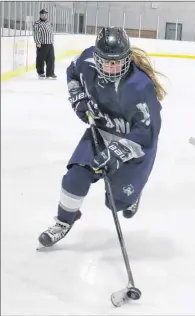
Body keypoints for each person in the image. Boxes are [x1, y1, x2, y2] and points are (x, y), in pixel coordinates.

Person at [37, 27, 166, 249]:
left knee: (115, 203)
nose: (111, 67)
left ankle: (134, 192)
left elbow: (147, 133)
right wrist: (78, 99)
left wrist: (117, 153)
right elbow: (72, 73)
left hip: (135, 145)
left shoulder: (140, 87)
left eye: (117, 62)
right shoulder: (86, 60)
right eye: (106, 62)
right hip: (101, 131)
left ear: (127, 59)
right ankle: (63, 222)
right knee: (76, 175)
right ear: (97, 57)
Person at [33, 9, 56, 79]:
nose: (44, 16)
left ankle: (50, 73)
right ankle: (40, 73)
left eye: (45, 14)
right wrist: (38, 42)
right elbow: (36, 33)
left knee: (51, 59)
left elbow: (51, 32)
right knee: (41, 59)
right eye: (42, 15)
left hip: (49, 43)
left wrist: (52, 41)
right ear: (40, 15)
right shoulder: (37, 23)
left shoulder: (49, 23)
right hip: (42, 44)